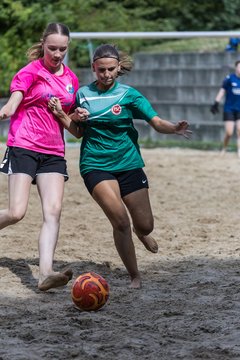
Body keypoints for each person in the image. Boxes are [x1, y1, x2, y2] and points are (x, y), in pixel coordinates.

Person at [48, 44, 192, 289]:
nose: (106, 74)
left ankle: (141, 232)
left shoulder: (129, 95)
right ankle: (134, 275)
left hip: (129, 163)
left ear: (119, 68)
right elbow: (78, 133)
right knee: (120, 221)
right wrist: (66, 116)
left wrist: (174, 128)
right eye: (101, 70)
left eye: (111, 69)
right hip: (95, 165)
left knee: (145, 225)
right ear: (94, 68)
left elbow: (156, 122)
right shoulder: (82, 94)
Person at [0, 23, 79, 291]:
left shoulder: (71, 79)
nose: (57, 54)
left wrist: (78, 117)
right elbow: (16, 96)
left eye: (63, 49)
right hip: (24, 144)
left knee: (53, 211)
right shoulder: (30, 71)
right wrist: (9, 108)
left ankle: (46, 272)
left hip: (54, 151)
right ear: (43, 44)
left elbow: (71, 117)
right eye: (52, 48)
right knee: (16, 212)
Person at [210, 60, 240, 157]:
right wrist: (216, 103)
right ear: (236, 67)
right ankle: (224, 148)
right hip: (229, 109)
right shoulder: (229, 79)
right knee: (229, 132)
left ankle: (239, 150)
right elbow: (222, 91)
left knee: (239, 129)